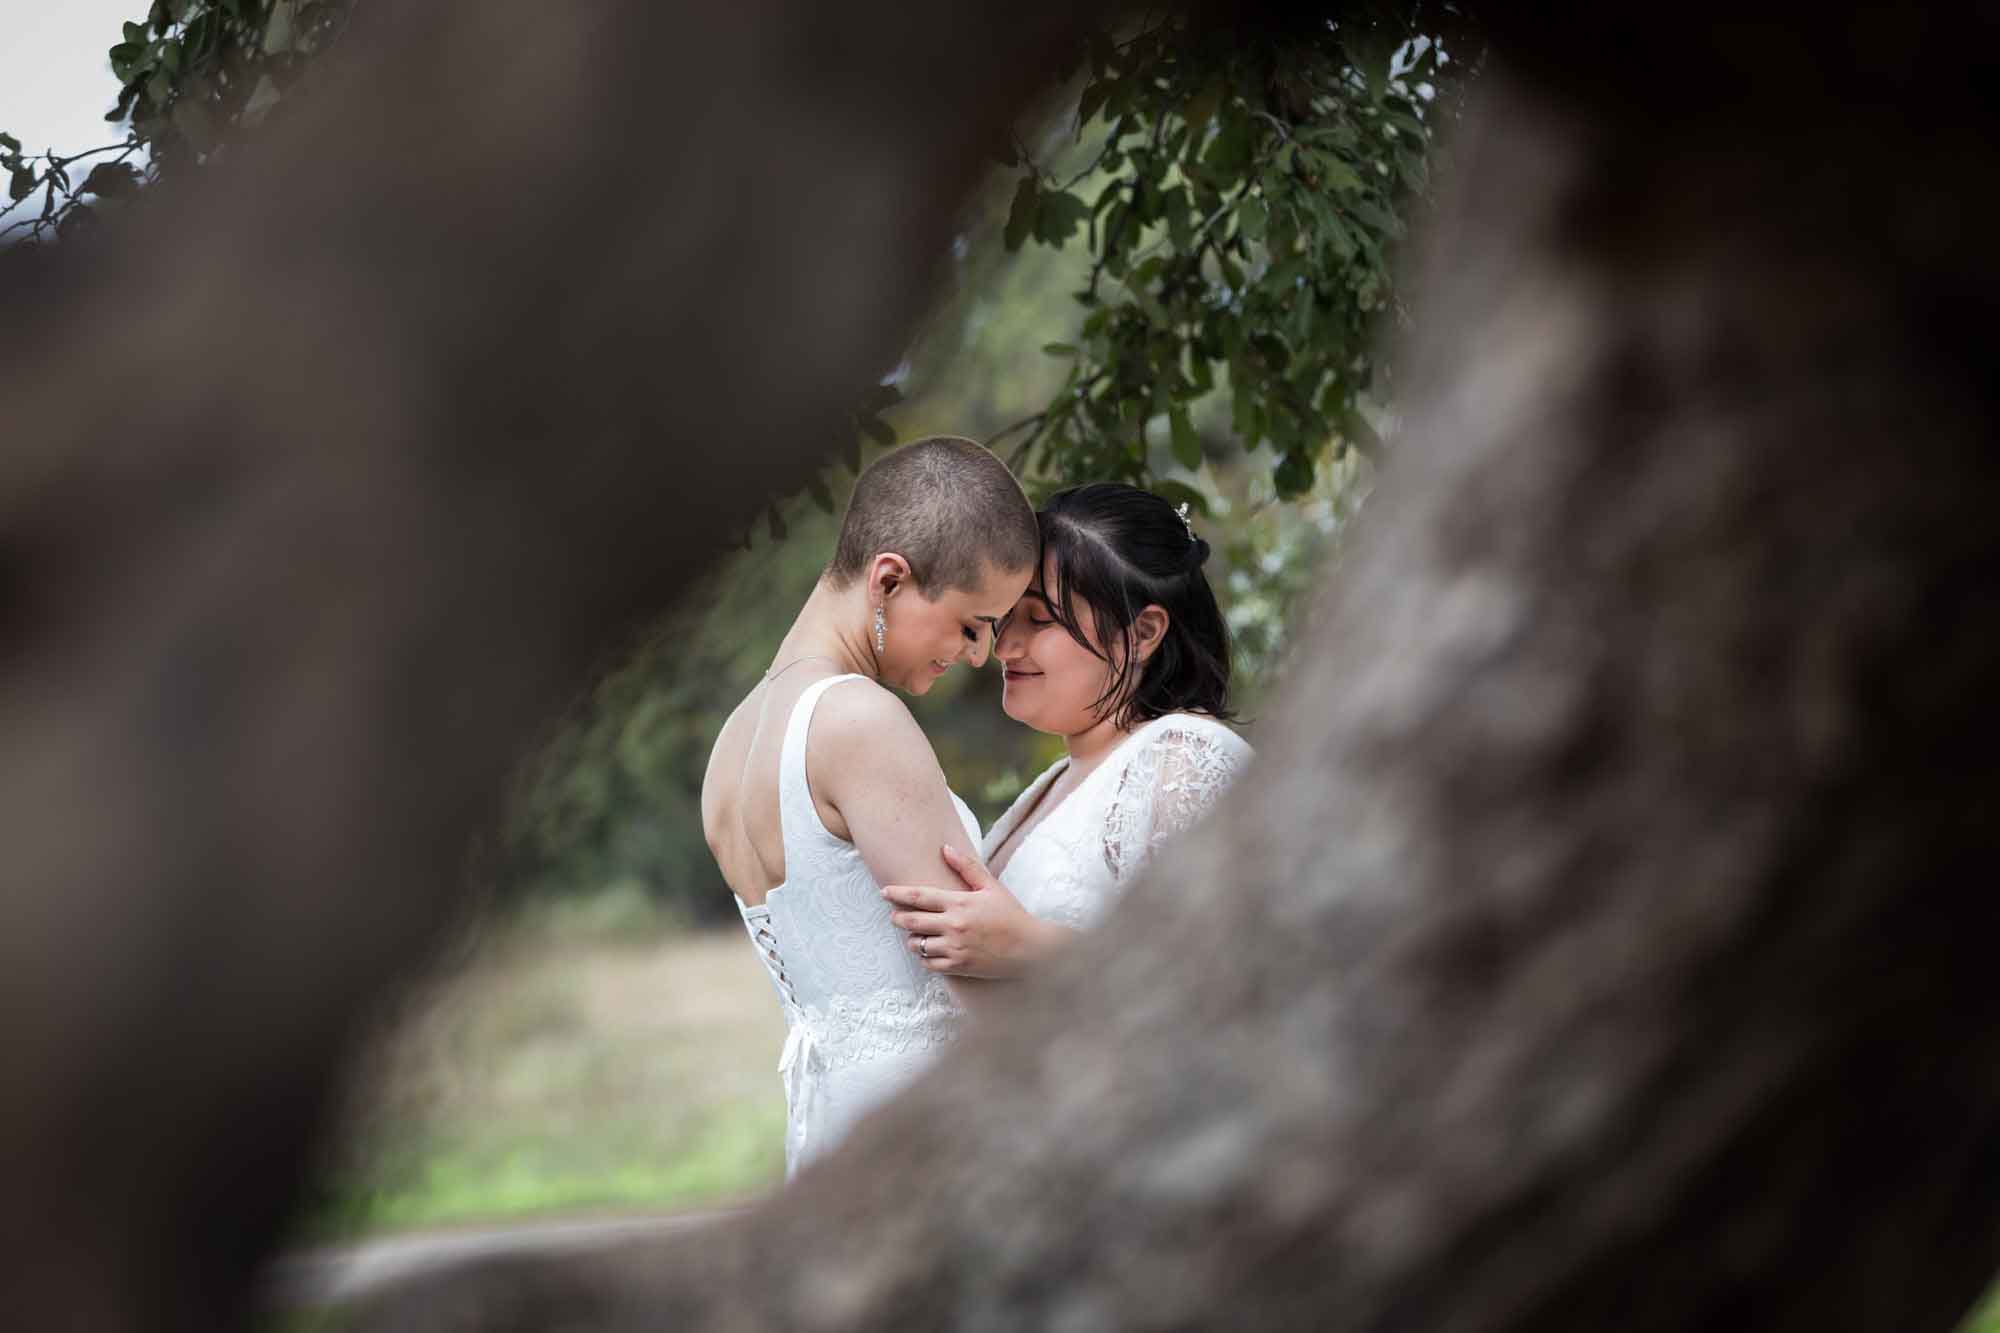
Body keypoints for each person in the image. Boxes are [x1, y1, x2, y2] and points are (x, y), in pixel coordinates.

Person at [700, 436, 1037, 1177]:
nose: (980, 654)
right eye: (972, 623)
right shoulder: (860, 722)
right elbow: (978, 981)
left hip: (828, 1133)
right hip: (927, 1130)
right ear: (888, 579)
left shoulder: (733, 741)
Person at [882, 482, 1252, 976]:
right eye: (1006, 616)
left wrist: (1029, 948)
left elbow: (1229, 974)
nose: (1004, 646)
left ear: (1142, 634)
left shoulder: (1186, 759)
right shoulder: (1059, 779)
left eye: (1038, 618)